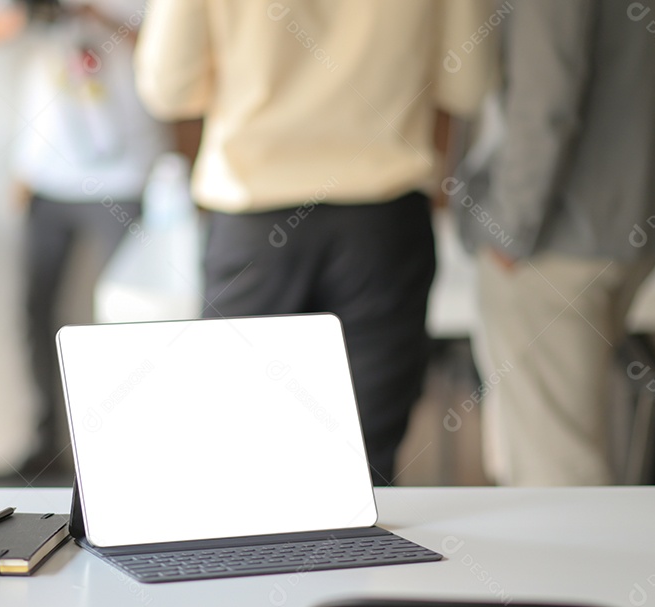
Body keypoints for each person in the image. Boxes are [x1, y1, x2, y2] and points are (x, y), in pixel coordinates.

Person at [135, 0, 491, 484]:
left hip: (254, 224)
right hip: (381, 221)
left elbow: (168, 87)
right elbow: (468, 82)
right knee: (366, 471)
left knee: (241, 460)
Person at [452, 0, 655, 486]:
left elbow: (546, 99)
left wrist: (509, 229)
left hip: (559, 239)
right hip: (631, 215)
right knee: (568, 452)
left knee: (558, 477)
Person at [0, 0, 169, 479]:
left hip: (125, 175)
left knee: (129, 315)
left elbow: (168, 57)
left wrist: (99, 18)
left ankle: (127, 449)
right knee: (34, 309)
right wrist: (35, 15)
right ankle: (46, 444)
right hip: (46, 176)